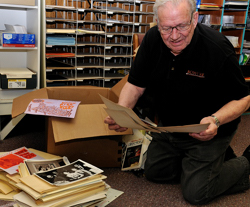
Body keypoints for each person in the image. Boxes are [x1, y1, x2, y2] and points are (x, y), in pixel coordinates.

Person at [104, 0, 250, 204]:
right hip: (170, 127)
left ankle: (245, 164)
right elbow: (135, 84)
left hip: (209, 128)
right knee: (154, 173)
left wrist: (215, 121)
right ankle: (209, 162)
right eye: (166, 28)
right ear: (157, 22)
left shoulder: (217, 48)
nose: (174, 36)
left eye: (181, 26)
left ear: (195, 19)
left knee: (196, 192)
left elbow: (244, 99)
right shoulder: (152, 40)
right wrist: (122, 111)